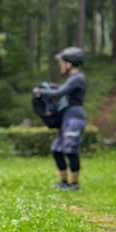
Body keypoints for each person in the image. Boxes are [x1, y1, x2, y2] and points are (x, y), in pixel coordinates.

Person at [36, 46, 86, 191]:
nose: (61, 65)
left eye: (62, 62)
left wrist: (41, 91)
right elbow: (62, 88)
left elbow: (59, 93)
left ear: (69, 63)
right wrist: (50, 87)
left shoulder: (78, 78)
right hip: (67, 117)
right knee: (57, 150)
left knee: (70, 150)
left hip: (75, 117)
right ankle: (64, 182)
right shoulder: (73, 79)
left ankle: (74, 184)